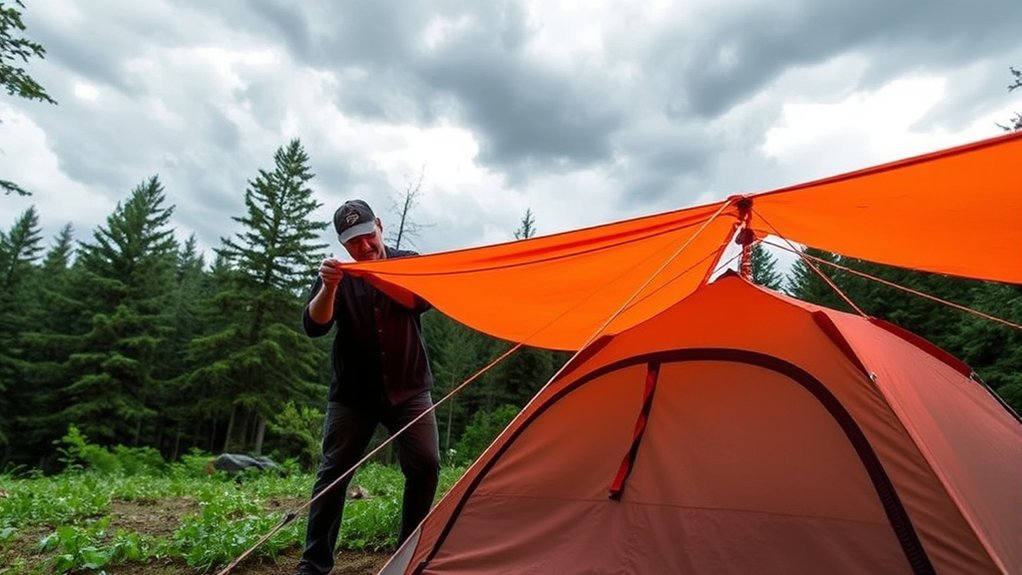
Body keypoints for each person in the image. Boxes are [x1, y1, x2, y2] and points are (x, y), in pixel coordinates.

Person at [296, 199, 440, 575]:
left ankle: (407, 557)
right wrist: (329, 288)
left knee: (426, 466)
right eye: (352, 244)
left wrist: (375, 274)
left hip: (409, 390)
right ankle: (314, 565)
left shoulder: (407, 262)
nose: (362, 248)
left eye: (366, 237)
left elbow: (421, 301)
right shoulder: (338, 274)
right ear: (343, 245)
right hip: (353, 397)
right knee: (333, 475)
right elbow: (315, 325)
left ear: (379, 225)